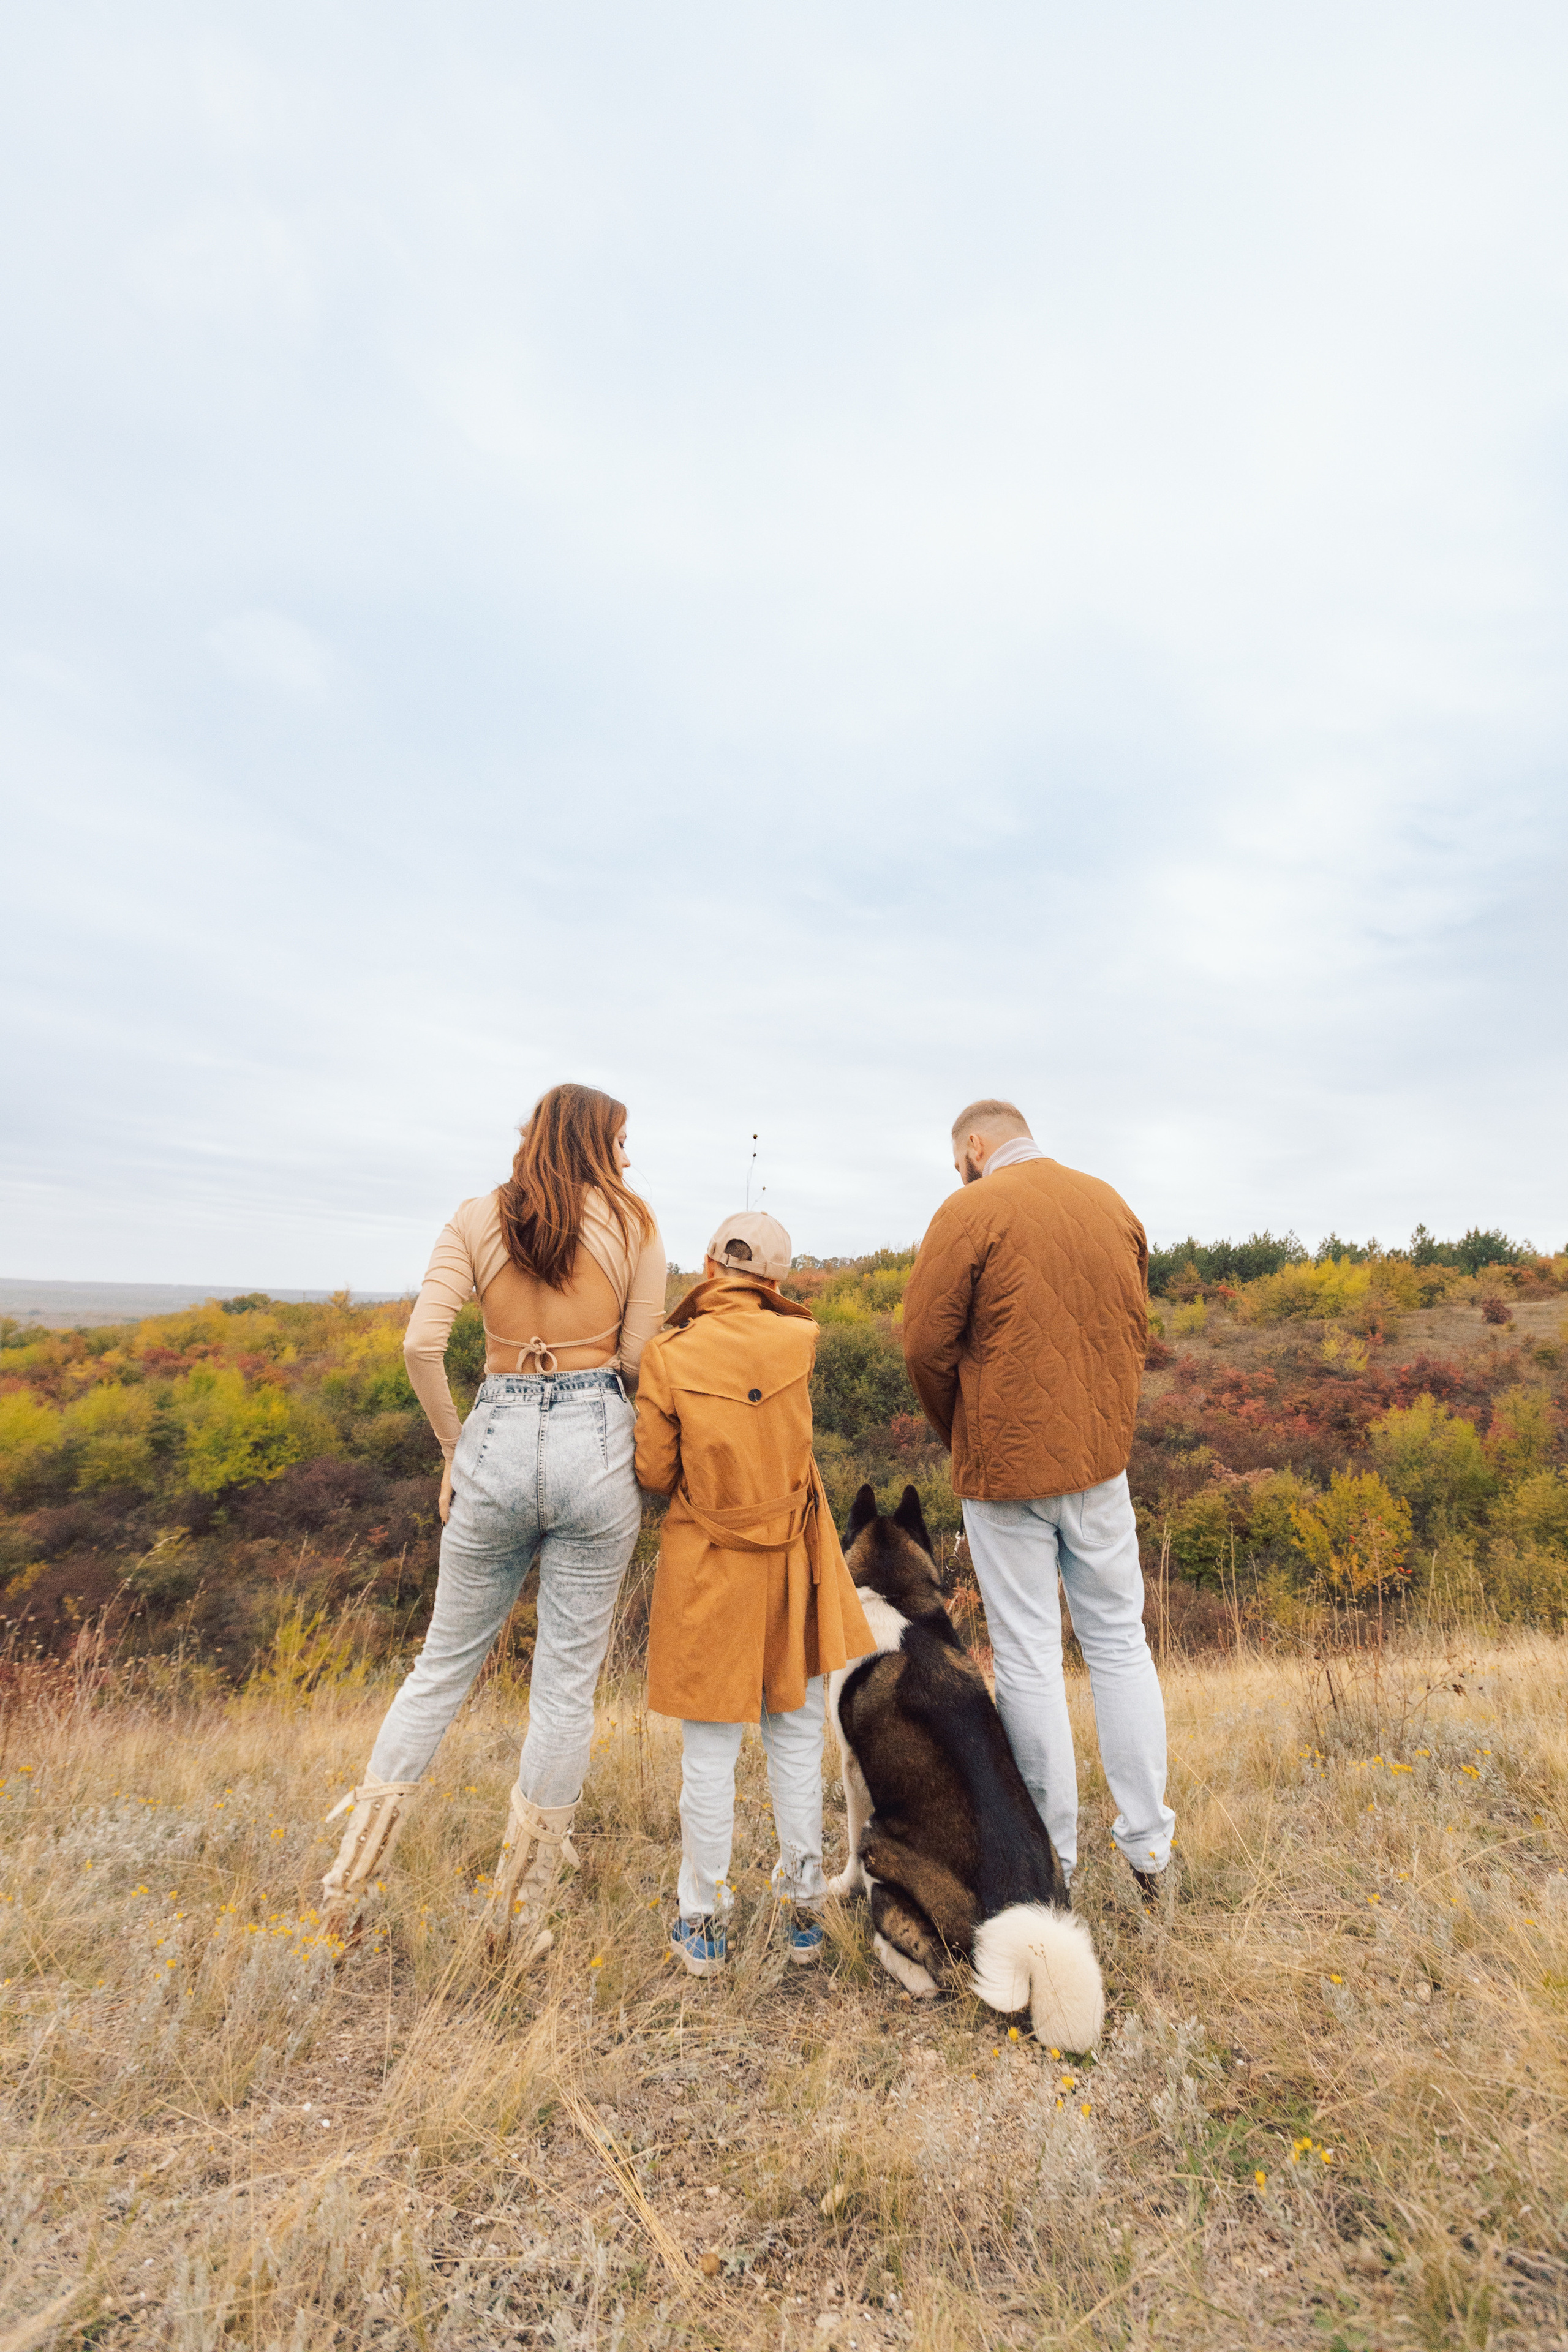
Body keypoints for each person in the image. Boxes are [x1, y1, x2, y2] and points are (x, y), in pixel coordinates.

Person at [320, 1082, 666, 1953]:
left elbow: (419, 1344)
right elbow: (636, 1361)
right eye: (622, 1141)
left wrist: (453, 1449)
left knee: (439, 1669)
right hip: (597, 1440)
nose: (629, 1156)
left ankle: (350, 1884)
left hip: (498, 1432)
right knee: (564, 1689)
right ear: (594, 1141)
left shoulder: (475, 1218)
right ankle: (517, 1917)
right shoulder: (634, 1223)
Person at [901, 1099, 1175, 1904]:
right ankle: (1150, 1851)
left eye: (960, 1159)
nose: (960, 1170)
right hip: (1100, 1463)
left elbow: (923, 1344)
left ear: (976, 1146)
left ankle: (1053, 1862)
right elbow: (1131, 1326)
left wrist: (962, 1430)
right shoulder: (1109, 1203)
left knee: (1028, 1657)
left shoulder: (969, 1208)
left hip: (1005, 1472)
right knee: (1121, 1644)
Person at [633, 1210, 874, 1975]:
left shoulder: (667, 1354)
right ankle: (804, 1913)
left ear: (709, 1266)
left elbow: (653, 1473)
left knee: (709, 1752)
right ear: (773, 1280)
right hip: (791, 1559)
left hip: (710, 1563)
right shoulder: (799, 1340)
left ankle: (703, 1921)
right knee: (796, 1737)